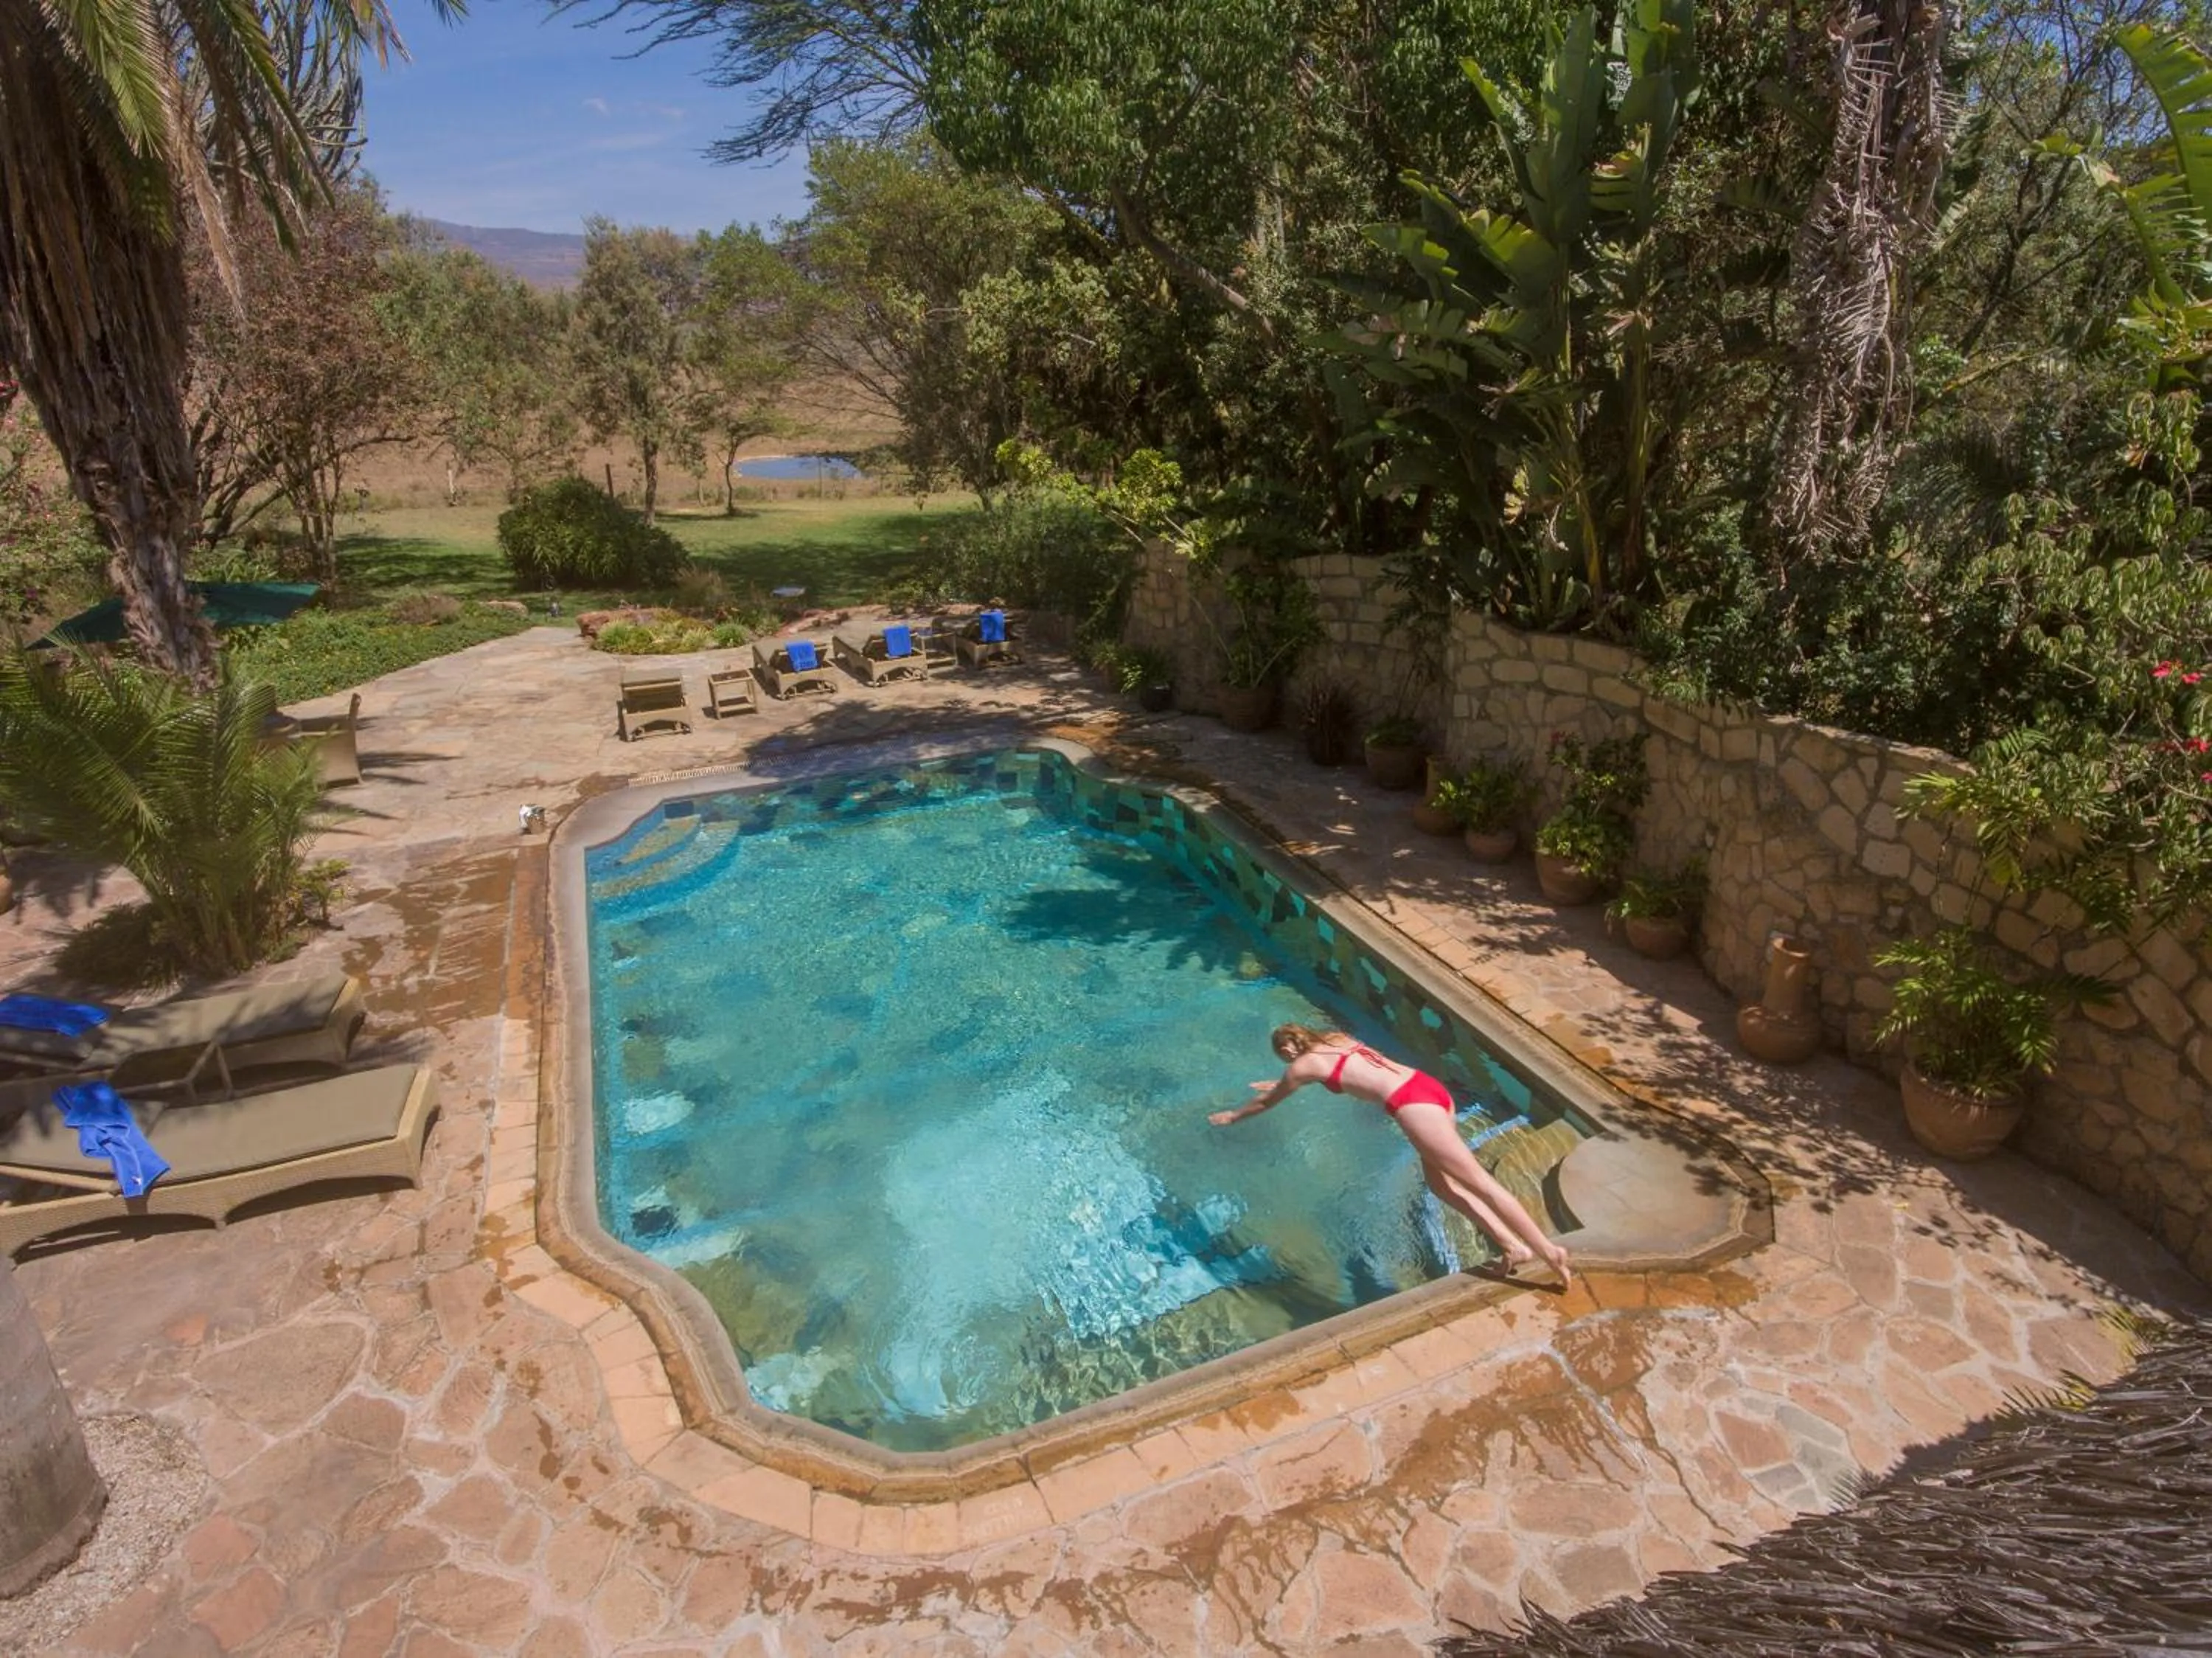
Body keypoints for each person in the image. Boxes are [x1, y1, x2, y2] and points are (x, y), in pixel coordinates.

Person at [1211, 1024, 1572, 1286]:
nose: (1286, 1063)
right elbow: (1343, 1072)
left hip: (1413, 1107)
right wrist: (1284, 1081)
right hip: (1428, 1088)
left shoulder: (1301, 1066)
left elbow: (1267, 1102)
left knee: (1481, 1184)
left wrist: (1234, 1115)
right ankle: (1512, 1247)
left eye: (1283, 1058)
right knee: (1441, 1186)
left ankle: (1546, 1250)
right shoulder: (1337, 1039)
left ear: (1287, 1050)